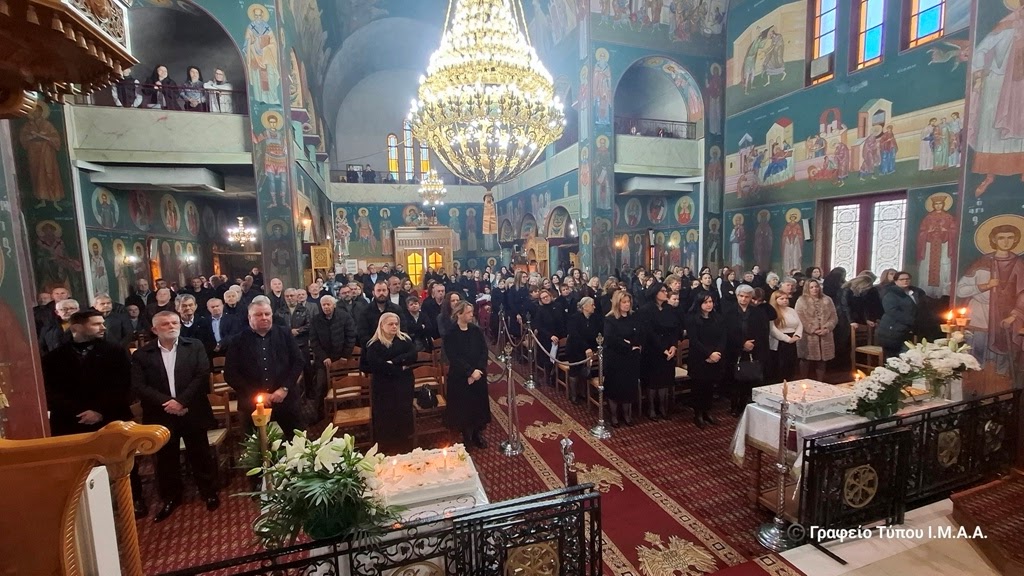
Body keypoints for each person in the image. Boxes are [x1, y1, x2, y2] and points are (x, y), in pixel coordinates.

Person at [42, 310, 147, 517]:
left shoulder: (115, 351)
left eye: (102, 323)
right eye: (96, 324)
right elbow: (49, 392)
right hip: (72, 420)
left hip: (111, 415)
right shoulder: (54, 357)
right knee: (79, 467)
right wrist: (79, 412)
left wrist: (99, 411)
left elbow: (125, 385)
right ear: (76, 327)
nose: (103, 327)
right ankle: (84, 507)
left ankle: (132, 500)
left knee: (122, 461)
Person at [131, 311, 219, 522]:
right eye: (165, 324)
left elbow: (201, 375)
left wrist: (181, 402)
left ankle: (209, 492)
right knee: (165, 459)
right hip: (161, 414)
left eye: (174, 323)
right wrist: (168, 403)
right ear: (154, 329)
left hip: (191, 409)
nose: (171, 326)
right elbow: (139, 385)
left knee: (200, 453)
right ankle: (171, 497)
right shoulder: (142, 354)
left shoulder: (194, 345)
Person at [224, 297, 305, 436]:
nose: (264, 317)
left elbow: (298, 362)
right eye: (258, 315)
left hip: (285, 398)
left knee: (297, 440)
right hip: (252, 402)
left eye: (267, 314)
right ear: (249, 317)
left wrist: (284, 388)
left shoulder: (285, 334)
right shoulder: (238, 340)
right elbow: (230, 374)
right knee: (256, 444)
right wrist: (255, 393)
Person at [363, 312, 418, 454]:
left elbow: (413, 355)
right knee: (386, 414)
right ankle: (386, 447)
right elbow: (375, 365)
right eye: (391, 324)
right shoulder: (373, 344)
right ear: (382, 326)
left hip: (403, 385)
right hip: (383, 386)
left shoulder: (404, 339)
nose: (394, 326)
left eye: (396, 324)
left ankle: (404, 444)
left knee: (403, 411)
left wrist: (394, 361)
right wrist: (400, 367)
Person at [443, 300, 490, 448]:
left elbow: (484, 350)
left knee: (478, 405)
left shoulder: (476, 330)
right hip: (460, 376)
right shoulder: (451, 333)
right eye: (468, 312)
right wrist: (469, 372)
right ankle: (466, 436)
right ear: (459, 314)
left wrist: (478, 370)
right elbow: (454, 356)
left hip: (478, 374)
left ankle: (477, 434)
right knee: (463, 407)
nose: (472, 315)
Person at [725, 284, 777, 416]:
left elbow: (763, 331)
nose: (743, 299)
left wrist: (752, 344)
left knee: (749, 378)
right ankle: (734, 406)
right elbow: (727, 332)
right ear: (737, 296)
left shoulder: (758, 312)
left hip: (753, 349)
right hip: (734, 350)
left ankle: (745, 405)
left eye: (747, 297)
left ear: (751, 298)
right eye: (741, 296)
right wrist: (742, 343)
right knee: (734, 379)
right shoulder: (728, 312)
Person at [602, 290, 642, 426]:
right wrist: (628, 345)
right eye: (624, 302)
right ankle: (614, 416)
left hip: (631, 359)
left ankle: (626, 415)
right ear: (617, 303)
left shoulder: (633, 317)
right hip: (615, 359)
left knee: (628, 387)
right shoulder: (610, 319)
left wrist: (630, 343)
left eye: (628, 302)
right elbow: (611, 339)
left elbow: (638, 333)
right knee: (615, 387)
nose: (627, 304)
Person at [686, 294, 727, 428]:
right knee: (699, 386)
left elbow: (723, 337)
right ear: (699, 304)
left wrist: (717, 352)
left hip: (715, 356)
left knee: (710, 386)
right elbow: (694, 340)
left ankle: (707, 411)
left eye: (710, 302)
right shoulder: (692, 319)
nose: (709, 304)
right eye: (705, 302)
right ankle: (698, 414)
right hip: (699, 358)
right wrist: (709, 354)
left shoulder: (718, 318)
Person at [309, 294, 356, 405]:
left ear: (334, 305)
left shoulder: (344, 316)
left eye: (328, 304)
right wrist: (324, 357)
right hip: (323, 360)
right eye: (323, 305)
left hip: (342, 358)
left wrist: (345, 355)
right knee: (321, 386)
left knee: (343, 384)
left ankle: (344, 408)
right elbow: (314, 341)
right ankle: (320, 412)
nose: (326, 307)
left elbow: (350, 337)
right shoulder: (316, 320)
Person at [641, 283, 678, 420]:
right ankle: (651, 408)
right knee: (653, 381)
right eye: (662, 291)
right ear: (655, 293)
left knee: (665, 380)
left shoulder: (669, 308)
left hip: (669, 349)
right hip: (652, 349)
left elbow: (675, 329)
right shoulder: (646, 309)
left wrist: (673, 346)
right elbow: (649, 332)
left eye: (665, 290)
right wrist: (663, 349)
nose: (665, 293)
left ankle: (663, 407)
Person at [795, 278, 838, 382]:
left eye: (816, 286)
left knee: (822, 360)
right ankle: (803, 381)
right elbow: (800, 318)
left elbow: (834, 316)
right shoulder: (801, 301)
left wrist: (827, 328)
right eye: (812, 287)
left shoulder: (827, 299)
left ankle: (820, 381)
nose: (815, 289)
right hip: (808, 336)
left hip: (825, 335)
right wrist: (812, 329)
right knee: (805, 359)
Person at [876, 271, 923, 359]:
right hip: (892, 329)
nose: (905, 281)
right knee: (894, 358)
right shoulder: (890, 294)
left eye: (907, 279)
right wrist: (912, 321)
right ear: (896, 281)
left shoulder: (916, 293)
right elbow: (892, 311)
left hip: (910, 329)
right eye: (902, 279)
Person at [565, 297, 601, 404]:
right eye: (592, 305)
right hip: (575, 349)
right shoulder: (574, 318)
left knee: (586, 371)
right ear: (585, 306)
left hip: (590, 349)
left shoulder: (595, 318)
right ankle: (573, 395)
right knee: (575, 371)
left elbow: (598, 333)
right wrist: (585, 347)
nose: (594, 307)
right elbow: (575, 335)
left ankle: (583, 392)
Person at [768, 291, 802, 383]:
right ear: (775, 300)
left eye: (786, 298)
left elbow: (799, 324)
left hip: (793, 340)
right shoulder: (772, 311)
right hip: (780, 342)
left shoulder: (791, 310)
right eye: (782, 299)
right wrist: (787, 339)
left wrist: (797, 335)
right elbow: (772, 329)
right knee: (781, 367)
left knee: (791, 365)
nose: (785, 300)